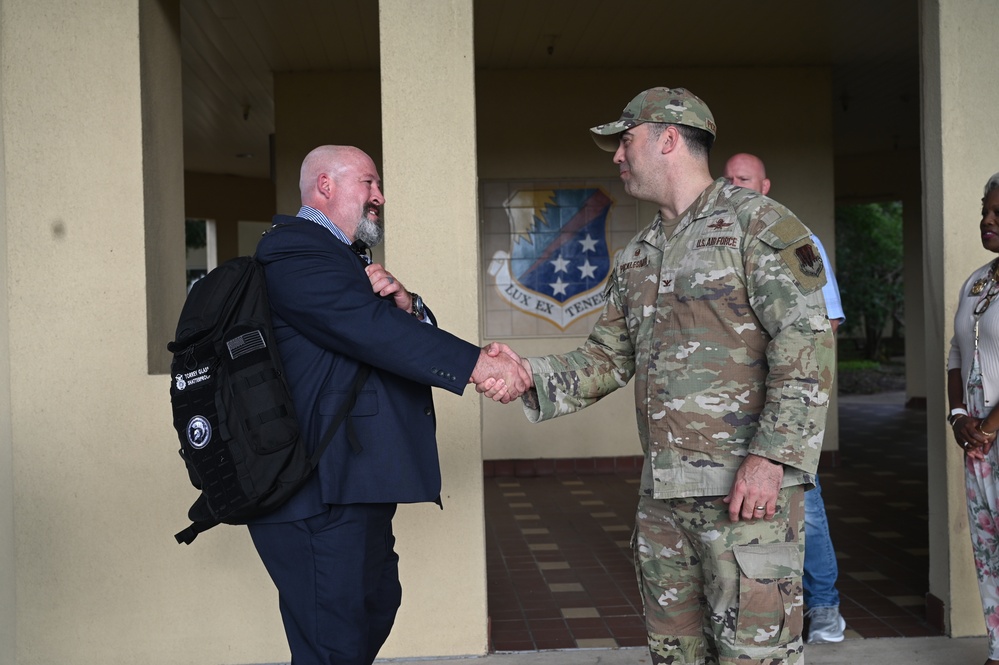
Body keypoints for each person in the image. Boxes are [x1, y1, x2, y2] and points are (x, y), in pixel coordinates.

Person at [486, 88, 835, 664]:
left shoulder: (758, 225)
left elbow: (807, 344)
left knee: (755, 657)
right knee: (675, 654)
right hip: (664, 502)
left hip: (747, 498)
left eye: (626, 141)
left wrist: (771, 458)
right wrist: (526, 374)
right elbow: (607, 356)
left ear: (668, 139)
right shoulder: (639, 254)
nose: (617, 156)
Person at [247, 145, 530, 665]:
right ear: (325, 186)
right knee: (333, 644)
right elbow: (370, 331)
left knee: (374, 606)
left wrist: (409, 305)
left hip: (352, 487)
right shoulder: (295, 251)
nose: (379, 196)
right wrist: (477, 365)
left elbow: (376, 333)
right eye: (368, 183)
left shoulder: (342, 258)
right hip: (315, 492)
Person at [723, 152, 847, 645]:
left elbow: (826, 325)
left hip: (784, 405)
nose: (735, 186)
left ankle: (824, 607)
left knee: (805, 506)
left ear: (765, 186)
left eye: (744, 178)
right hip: (726, 411)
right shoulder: (712, 242)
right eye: (728, 179)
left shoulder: (795, 240)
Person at [947, 170, 999, 665]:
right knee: (987, 545)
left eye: (998, 213)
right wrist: (959, 415)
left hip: (989, 433)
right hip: (979, 440)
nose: (987, 220)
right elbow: (956, 354)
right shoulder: (978, 280)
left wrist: (986, 427)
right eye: (985, 211)